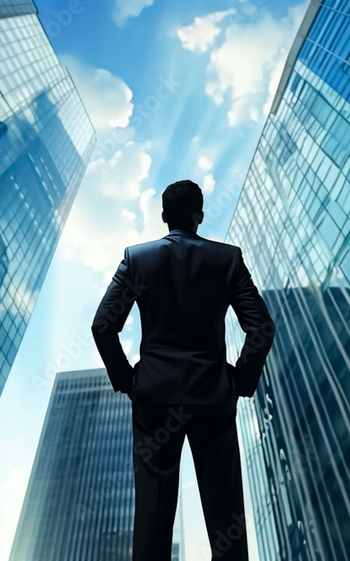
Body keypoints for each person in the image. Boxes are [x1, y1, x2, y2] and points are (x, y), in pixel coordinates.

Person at [91, 179, 275, 560]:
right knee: (226, 520)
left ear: (164, 216)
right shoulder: (227, 259)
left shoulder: (137, 259)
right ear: (199, 216)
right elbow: (262, 327)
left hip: (154, 399)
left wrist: (128, 380)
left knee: (152, 519)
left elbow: (102, 325)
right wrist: (239, 381)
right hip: (213, 398)